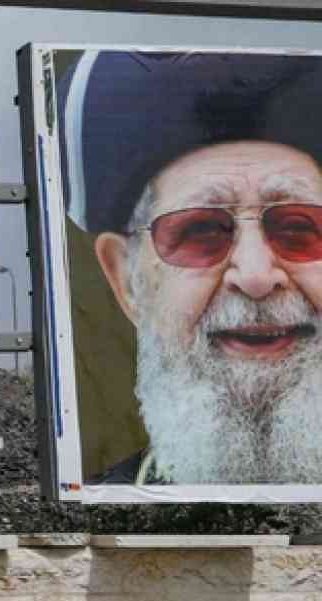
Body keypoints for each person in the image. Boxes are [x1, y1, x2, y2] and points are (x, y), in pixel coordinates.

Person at [62, 50, 322, 485]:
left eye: (298, 229)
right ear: (127, 280)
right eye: (202, 231)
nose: (256, 276)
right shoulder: (99, 514)